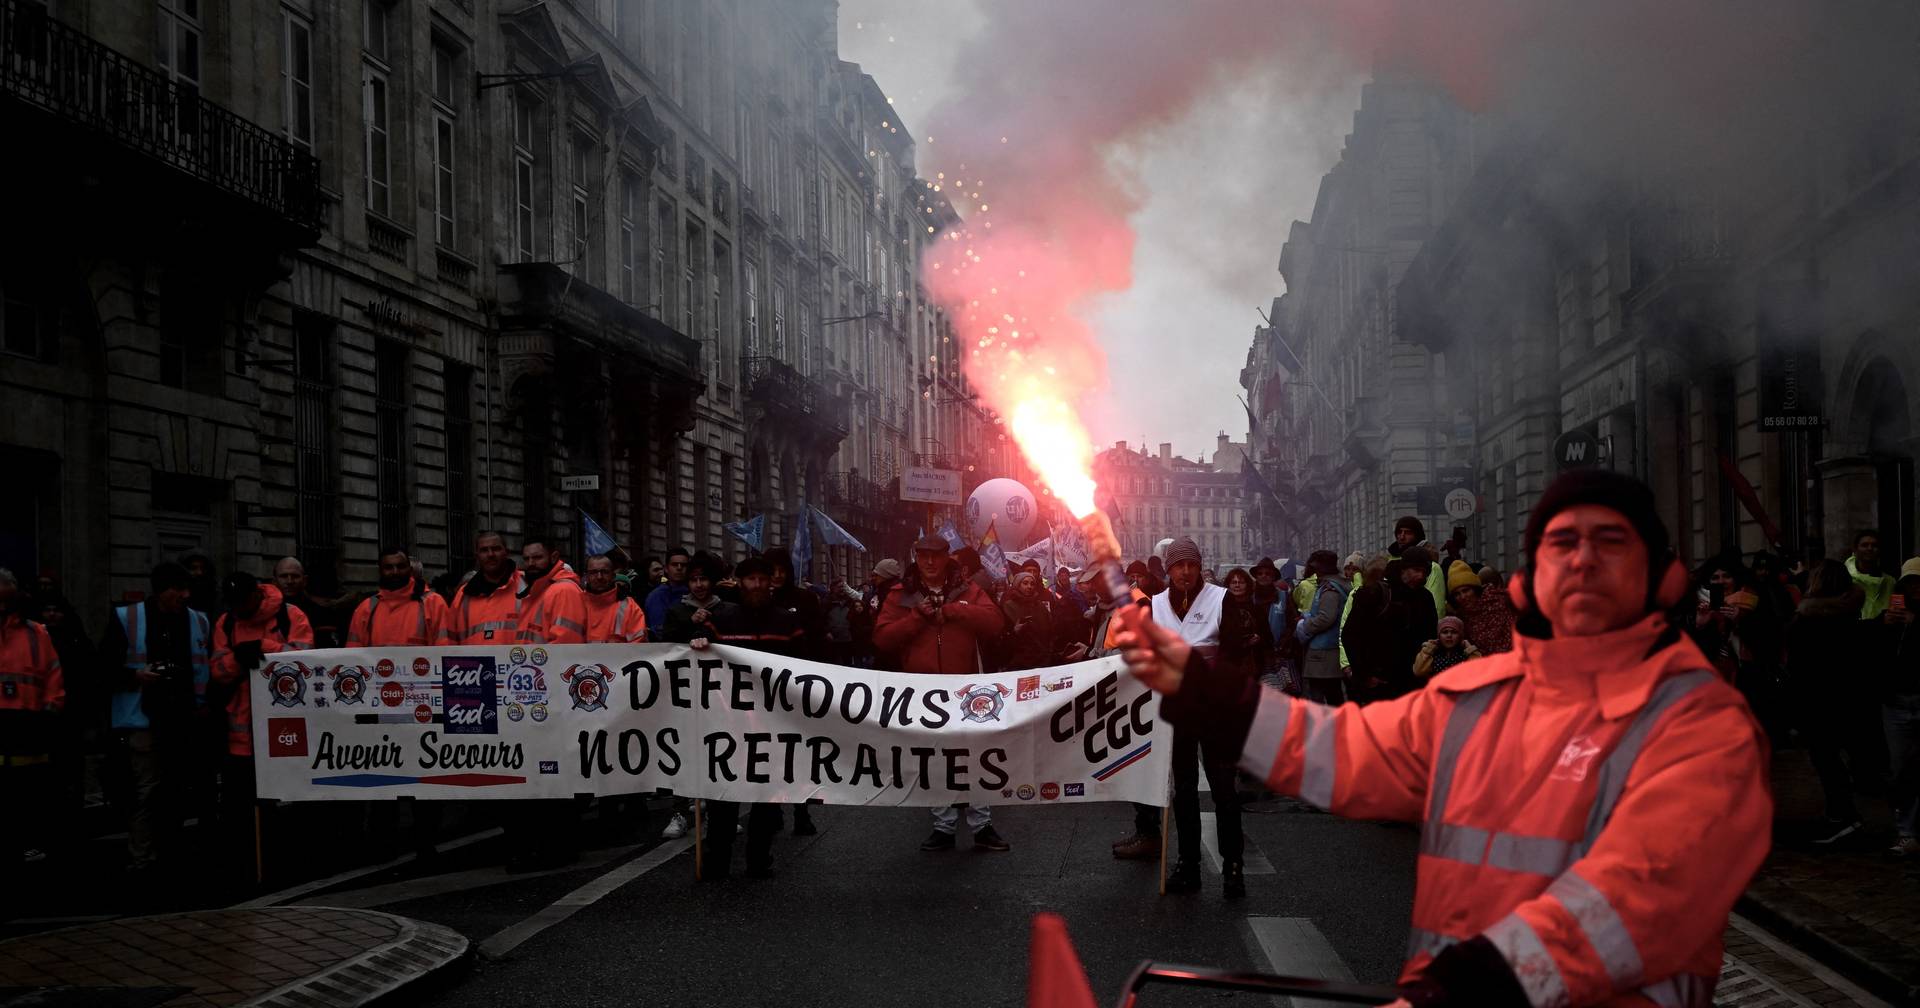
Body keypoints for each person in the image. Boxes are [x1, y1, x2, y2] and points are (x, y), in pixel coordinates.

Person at [1120, 468, 1771, 1008]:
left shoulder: (1699, 723)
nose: (1584, 561)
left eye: (1612, 542)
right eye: (1562, 543)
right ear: (1531, 575)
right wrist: (1218, 700)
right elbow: (1344, 751)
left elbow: (1650, 887)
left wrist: (1483, 981)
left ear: (1661, 575)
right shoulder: (1478, 696)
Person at [873, 536, 1009, 853]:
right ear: (916, 557)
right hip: (924, 691)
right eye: (923, 556)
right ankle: (943, 824)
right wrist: (917, 617)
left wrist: (955, 611)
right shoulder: (900, 594)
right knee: (933, 758)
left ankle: (982, 823)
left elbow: (993, 622)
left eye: (936, 556)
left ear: (946, 557)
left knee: (973, 757)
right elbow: (882, 638)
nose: (930, 563)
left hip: (966, 688)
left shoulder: (969, 589)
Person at [688, 557, 804, 878]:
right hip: (728, 723)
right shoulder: (720, 619)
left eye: (761, 579)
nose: (756, 585)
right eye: (749, 579)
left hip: (771, 724)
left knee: (765, 797)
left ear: (771, 583)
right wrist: (697, 640)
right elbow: (696, 653)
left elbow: (806, 668)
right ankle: (717, 862)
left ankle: (758, 859)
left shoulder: (787, 622)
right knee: (723, 796)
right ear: (740, 583)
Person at [99, 562, 212, 875]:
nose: (185, 595)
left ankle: (172, 853)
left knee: (177, 789)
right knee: (147, 791)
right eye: (179, 589)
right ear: (161, 590)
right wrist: (136, 675)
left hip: (184, 717)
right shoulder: (128, 617)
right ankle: (143, 858)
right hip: (143, 718)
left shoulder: (199, 621)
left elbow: (205, 667)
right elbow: (103, 668)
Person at [1152, 537, 1245, 898]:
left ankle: (1233, 865)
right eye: (1178, 566)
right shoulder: (1156, 606)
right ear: (1169, 570)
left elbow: (1236, 657)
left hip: (1216, 711)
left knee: (1224, 790)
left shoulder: (1220, 599)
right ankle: (1188, 863)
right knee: (1185, 790)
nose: (1185, 572)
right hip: (1177, 714)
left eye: (1191, 565)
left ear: (1199, 566)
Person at [208, 573, 312, 883]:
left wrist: (263, 648)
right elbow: (217, 669)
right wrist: (240, 659)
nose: (239, 609)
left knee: (283, 805)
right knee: (241, 807)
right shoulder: (226, 622)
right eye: (234, 604)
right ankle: (247, 870)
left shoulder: (290, 614)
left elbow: (308, 659)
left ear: (256, 594)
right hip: (241, 733)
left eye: (243, 602)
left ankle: (287, 865)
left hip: (285, 726)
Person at [1785, 559, 1877, 845]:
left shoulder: (1807, 621)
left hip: (1817, 702)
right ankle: (1845, 815)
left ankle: (1844, 816)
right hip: (1850, 699)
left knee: (1827, 760)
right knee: (1846, 760)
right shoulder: (1852, 616)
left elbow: (1798, 667)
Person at [0, 568, 65, 864]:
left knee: (27, 797)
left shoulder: (37, 633)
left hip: (29, 728)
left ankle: (29, 849)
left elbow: (53, 677)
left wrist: (48, 717)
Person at [1880, 557, 1920, 856]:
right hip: (1896, 702)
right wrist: (1883, 626)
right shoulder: (1890, 618)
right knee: (1900, 769)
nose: (1915, 588)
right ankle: (1906, 831)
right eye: (1911, 583)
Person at [345, 547, 451, 647]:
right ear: (380, 571)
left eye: (401, 566)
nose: (395, 572)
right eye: (388, 567)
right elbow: (353, 657)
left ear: (410, 569)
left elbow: (445, 652)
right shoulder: (365, 609)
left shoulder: (433, 603)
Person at [1294, 551, 1351, 705]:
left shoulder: (1330, 589)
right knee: (1333, 694)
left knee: (1322, 697)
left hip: (1323, 652)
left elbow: (1326, 617)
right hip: (1328, 649)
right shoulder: (1336, 586)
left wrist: (1305, 625)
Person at [448, 531, 524, 645]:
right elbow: (450, 641)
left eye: (496, 549)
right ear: (477, 556)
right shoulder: (463, 595)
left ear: (506, 552)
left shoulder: (526, 585)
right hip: (475, 663)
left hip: (518, 662)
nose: (490, 554)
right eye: (484, 550)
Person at [516, 537, 587, 645]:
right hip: (532, 660)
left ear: (554, 557)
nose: (531, 563)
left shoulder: (564, 590)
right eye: (526, 559)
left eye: (537, 557)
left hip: (548, 660)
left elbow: (565, 643)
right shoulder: (540, 588)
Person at [274, 556, 343, 649]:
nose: (289, 581)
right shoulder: (263, 612)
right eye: (284, 576)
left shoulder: (321, 614)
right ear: (274, 581)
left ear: (305, 580)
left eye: (295, 576)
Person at [1001, 568, 1060, 672]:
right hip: (1019, 664)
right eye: (1025, 583)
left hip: (1042, 662)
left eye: (1032, 584)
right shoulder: (1008, 606)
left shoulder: (1040, 606)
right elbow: (1002, 639)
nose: (1029, 587)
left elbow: (1050, 631)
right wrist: (1014, 632)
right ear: (1018, 585)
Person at [1388, 516, 1448, 619]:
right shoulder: (1389, 563)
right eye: (1399, 532)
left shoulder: (1432, 566)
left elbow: (1437, 607)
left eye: (1408, 533)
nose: (1401, 537)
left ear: (1417, 536)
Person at [1219, 567, 1273, 679]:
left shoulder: (1256, 609)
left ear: (1247, 585)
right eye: (1233, 582)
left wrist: (1259, 638)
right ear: (1228, 585)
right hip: (1228, 663)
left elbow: (1267, 635)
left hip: (1253, 663)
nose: (1237, 585)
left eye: (1241, 582)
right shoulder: (1220, 608)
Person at [581, 553, 647, 644]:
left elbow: (638, 645)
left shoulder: (630, 607)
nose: (599, 577)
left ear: (613, 576)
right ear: (586, 576)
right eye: (593, 572)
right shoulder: (576, 603)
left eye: (605, 572)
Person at [644, 548, 693, 641]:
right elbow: (659, 631)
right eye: (674, 564)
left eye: (683, 565)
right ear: (666, 568)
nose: (679, 568)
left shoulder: (696, 592)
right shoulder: (656, 596)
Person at [1847, 529, 1896, 619]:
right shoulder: (1845, 578)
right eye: (1864, 545)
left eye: (1874, 545)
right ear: (1855, 549)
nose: (1870, 548)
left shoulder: (1890, 582)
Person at [1413, 616, 1482, 680]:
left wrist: (1471, 651)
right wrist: (1427, 650)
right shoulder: (1433, 653)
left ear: (1460, 636)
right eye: (1445, 632)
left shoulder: (1466, 653)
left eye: (1454, 632)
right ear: (1439, 636)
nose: (1449, 635)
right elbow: (1419, 672)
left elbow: (1479, 672)